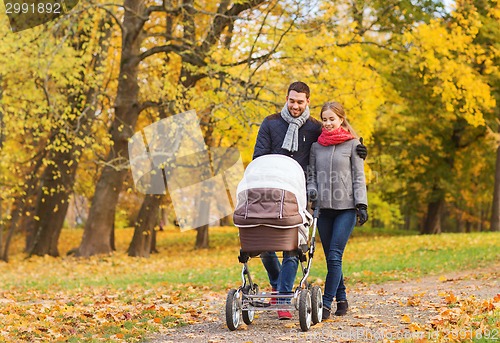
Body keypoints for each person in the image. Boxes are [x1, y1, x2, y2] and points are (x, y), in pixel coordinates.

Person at [253, 82, 367, 319]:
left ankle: (285, 297)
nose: (295, 106)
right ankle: (278, 284)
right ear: (286, 98)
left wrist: (361, 150)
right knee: (265, 245)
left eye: (300, 102)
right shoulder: (270, 123)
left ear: (307, 102)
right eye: (292, 100)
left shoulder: (315, 127)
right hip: (272, 191)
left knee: (295, 247)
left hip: (301, 196)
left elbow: (337, 136)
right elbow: (258, 156)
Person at [306, 101, 368, 320]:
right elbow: (311, 175)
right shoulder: (316, 146)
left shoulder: (353, 145)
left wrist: (362, 204)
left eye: (332, 119)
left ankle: (325, 304)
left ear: (341, 119)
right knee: (332, 258)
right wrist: (312, 191)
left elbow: (359, 177)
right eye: (324, 119)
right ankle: (342, 299)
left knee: (334, 255)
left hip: (346, 208)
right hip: (323, 209)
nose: (328, 123)